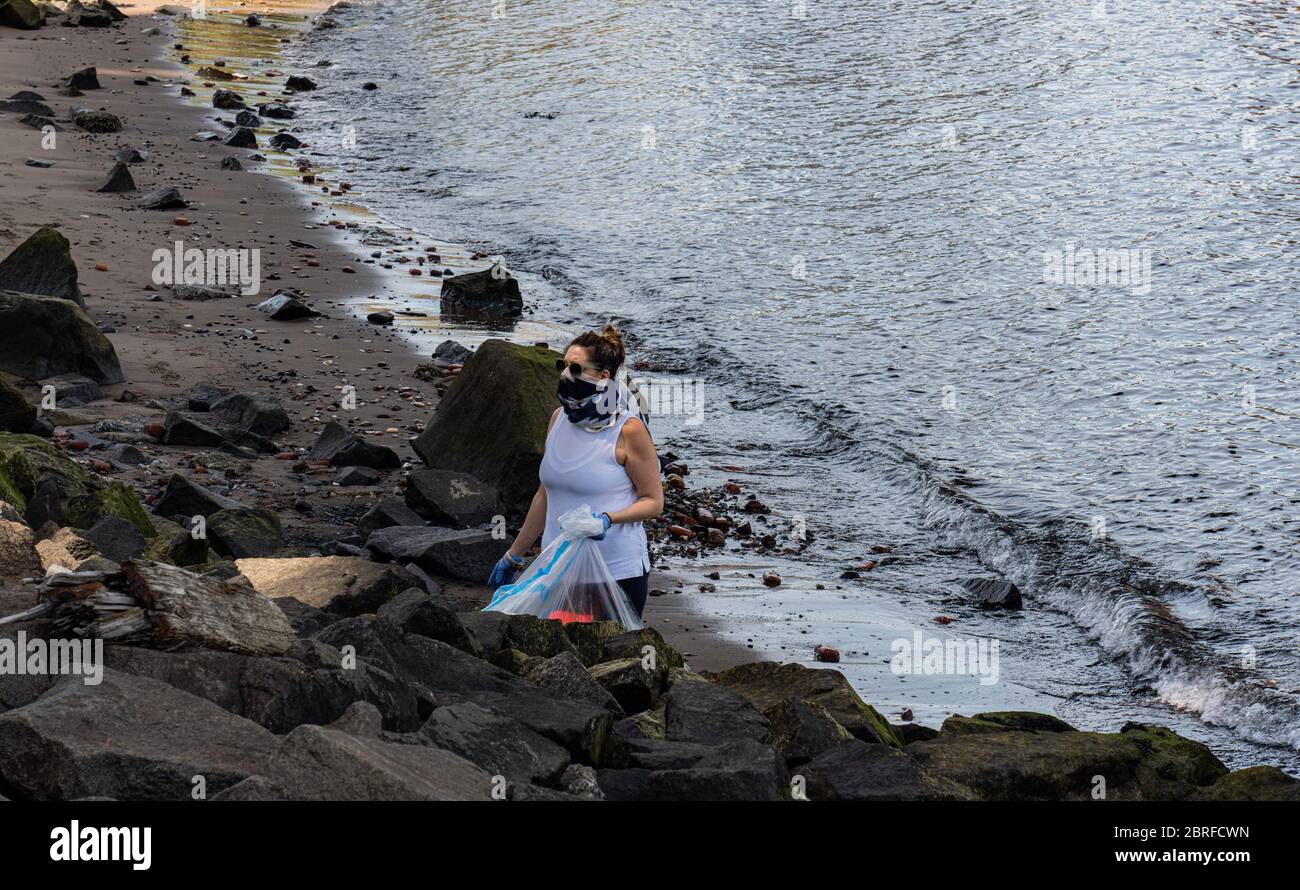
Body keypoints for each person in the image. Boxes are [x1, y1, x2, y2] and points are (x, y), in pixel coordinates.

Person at [487, 324, 663, 619]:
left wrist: (608, 519)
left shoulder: (628, 430)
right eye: (563, 365)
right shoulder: (558, 420)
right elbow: (544, 495)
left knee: (606, 660)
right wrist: (514, 555)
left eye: (576, 368)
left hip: (615, 575)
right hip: (556, 572)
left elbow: (653, 502)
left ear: (603, 377)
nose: (565, 375)